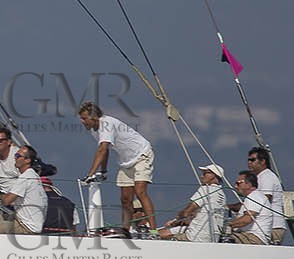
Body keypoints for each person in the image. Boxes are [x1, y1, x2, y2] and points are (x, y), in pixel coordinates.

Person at [78, 101, 155, 232]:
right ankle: (126, 229)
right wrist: (103, 170)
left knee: (140, 191)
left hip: (142, 154)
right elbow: (105, 149)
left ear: (94, 117)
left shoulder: (106, 124)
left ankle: (153, 230)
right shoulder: (94, 131)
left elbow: (102, 149)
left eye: (84, 118)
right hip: (126, 161)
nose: (82, 122)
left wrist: (90, 174)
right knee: (125, 198)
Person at [0, 147, 47, 235]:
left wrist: (1, 195)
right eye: (15, 155)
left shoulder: (25, 177)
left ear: (27, 160)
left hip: (27, 227)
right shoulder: (33, 175)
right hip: (22, 220)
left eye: (18, 156)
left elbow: (6, 201)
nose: (14, 158)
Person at [158, 163, 228, 242]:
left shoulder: (206, 189)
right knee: (164, 232)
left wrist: (175, 220)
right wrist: (178, 222)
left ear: (213, 175)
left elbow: (186, 213)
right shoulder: (222, 195)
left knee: (157, 235)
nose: (202, 176)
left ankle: (151, 232)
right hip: (212, 238)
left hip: (195, 236)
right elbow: (203, 216)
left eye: (205, 173)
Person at [247, 147, 287, 245]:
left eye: (252, 160)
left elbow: (264, 200)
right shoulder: (260, 177)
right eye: (248, 160)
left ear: (262, 161)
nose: (249, 162)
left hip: (272, 226)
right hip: (266, 226)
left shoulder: (266, 176)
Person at [231, 170, 272, 244]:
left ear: (249, 184)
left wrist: (228, 226)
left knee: (221, 239)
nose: (235, 186)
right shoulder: (255, 196)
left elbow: (247, 219)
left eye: (238, 183)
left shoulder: (254, 196)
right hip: (249, 236)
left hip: (253, 238)